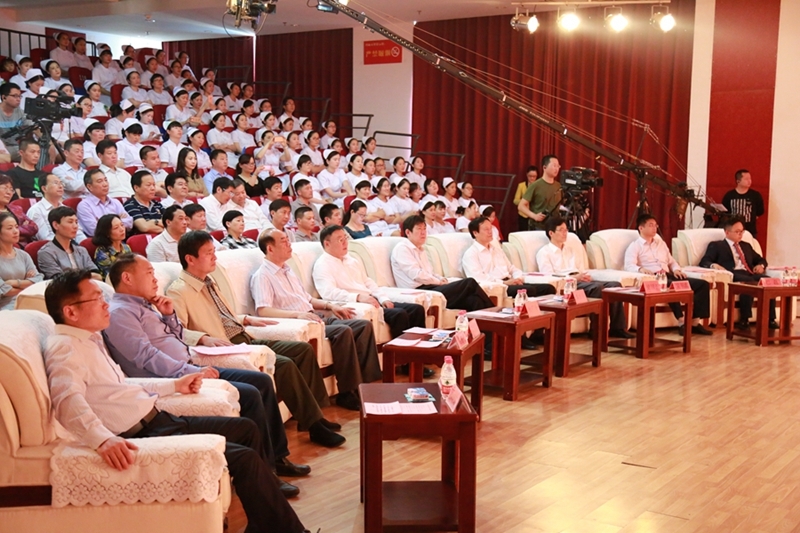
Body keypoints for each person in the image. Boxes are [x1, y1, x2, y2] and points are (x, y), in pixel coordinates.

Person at [42, 270, 309, 533]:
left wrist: (174, 385)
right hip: (142, 433)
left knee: (246, 428)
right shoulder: (65, 347)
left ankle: (263, 517)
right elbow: (67, 400)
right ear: (71, 312)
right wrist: (101, 440)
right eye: (97, 298)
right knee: (245, 457)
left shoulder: (88, 339)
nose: (105, 304)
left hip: (158, 419)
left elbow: (121, 385)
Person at [105, 252, 309, 498]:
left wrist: (168, 315)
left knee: (262, 380)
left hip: (187, 365)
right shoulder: (120, 312)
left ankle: (277, 457)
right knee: (250, 393)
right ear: (127, 278)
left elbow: (177, 339)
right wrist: (191, 371)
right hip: (171, 378)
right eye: (149, 273)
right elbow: (145, 357)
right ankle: (267, 474)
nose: (155, 278)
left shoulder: (147, 304)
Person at [167, 231, 345, 448]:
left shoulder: (209, 281)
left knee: (302, 350)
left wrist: (246, 318)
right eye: (208, 253)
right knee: (284, 364)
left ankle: (314, 415)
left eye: (214, 251)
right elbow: (175, 331)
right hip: (227, 345)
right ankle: (315, 425)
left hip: (244, 335)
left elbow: (222, 316)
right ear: (190, 258)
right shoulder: (178, 291)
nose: (215, 257)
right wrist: (203, 338)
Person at [251, 228, 382, 410]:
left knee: (362, 326)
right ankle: (347, 393)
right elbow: (263, 310)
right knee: (343, 331)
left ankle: (367, 386)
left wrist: (331, 306)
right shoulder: (262, 276)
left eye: (288, 239)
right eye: (283, 241)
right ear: (270, 248)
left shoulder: (288, 270)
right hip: (301, 322)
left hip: (316, 316)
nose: (289, 244)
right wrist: (297, 315)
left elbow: (308, 299)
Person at [313, 225, 426, 338]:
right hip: (357, 303)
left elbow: (367, 282)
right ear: (327, 244)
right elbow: (329, 293)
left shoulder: (351, 260)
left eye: (345, 238)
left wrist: (383, 298)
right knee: (399, 314)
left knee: (416, 309)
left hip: (371, 299)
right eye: (340, 240)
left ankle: (422, 345)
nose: (345, 243)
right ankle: (403, 348)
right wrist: (358, 297)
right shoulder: (322, 265)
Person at [537, 216, 634, 339]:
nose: (565, 233)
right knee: (597, 288)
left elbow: (580, 269)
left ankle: (618, 328)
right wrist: (575, 278)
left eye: (566, 230)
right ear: (551, 233)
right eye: (561, 230)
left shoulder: (570, 250)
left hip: (581, 280)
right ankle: (596, 330)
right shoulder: (544, 252)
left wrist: (584, 276)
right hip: (567, 284)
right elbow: (549, 277)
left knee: (615, 285)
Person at [624, 214, 713, 336]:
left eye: (656, 225)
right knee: (671, 286)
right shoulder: (635, 246)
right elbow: (629, 265)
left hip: (667, 274)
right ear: (641, 228)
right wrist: (641, 269)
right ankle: (681, 322)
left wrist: (676, 269)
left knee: (702, 285)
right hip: (653, 277)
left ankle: (694, 322)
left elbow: (671, 261)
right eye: (651, 225)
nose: (654, 228)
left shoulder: (661, 244)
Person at [391, 214, 495, 312]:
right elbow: (417, 275)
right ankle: (495, 313)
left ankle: (489, 324)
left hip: (431, 286)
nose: (423, 232)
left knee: (474, 300)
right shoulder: (402, 249)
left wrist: (441, 278)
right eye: (419, 229)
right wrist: (439, 282)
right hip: (418, 290)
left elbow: (430, 273)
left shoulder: (421, 249)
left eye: (424, 229)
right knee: (469, 282)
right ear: (408, 232)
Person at [699, 216, 777, 330]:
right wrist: (714, 265)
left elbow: (761, 259)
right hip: (733, 273)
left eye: (742, 231)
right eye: (737, 232)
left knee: (769, 281)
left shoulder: (746, 246)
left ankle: (771, 319)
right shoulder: (717, 245)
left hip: (750, 273)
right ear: (727, 232)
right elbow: (704, 261)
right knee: (748, 283)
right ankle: (744, 320)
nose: (740, 234)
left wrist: (761, 266)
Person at [462, 216, 557, 300]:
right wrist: (505, 283)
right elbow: (479, 278)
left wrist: (518, 278)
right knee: (529, 290)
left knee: (549, 288)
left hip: (511, 282)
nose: (490, 232)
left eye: (491, 228)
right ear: (475, 233)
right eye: (486, 229)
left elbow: (511, 268)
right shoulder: (471, 254)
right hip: (498, 286)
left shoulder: (497, 250)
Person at [38, 206, 101, 279]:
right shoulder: (46, 252)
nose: (75, 226)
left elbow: (97, 276)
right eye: (70, 222)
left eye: (76, 222)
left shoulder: (81, 250)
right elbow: (59, 280)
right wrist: (86, 276)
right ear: (56, 225)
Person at [0, 211, 43, 309]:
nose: (16, 231)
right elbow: (5, 290)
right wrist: (27, 283)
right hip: (6, 306)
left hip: (30, 300)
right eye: (10, 228)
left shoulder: (23, 255)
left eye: (16, 227)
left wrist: (14, 282)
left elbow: (38, 279)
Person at [27, 173, 86, 242]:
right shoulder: (36, 210)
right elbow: (45, 238)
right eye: (56, 183)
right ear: (44, 188)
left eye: (61, 183)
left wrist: (84, 244)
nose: (60, 186)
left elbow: (78, 232)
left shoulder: (66, 208)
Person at [76, 169, 133, 237]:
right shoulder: (84, 206)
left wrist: (104, 224)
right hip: (101, 242)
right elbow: (95, 231)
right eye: (100, 181)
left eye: (105, 180)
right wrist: (119, 221)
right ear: (89, 187)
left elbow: (129, 223)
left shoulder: (115, 202)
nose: (105, 184)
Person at [518, 155, 562, 231]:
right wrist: (534, 216)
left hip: (554, 227)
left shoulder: (558, 186)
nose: (556, 169)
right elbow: (521, 206)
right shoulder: (535, 185)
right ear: (544, 167)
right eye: (554, 166)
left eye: (558, 166)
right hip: (538, 227)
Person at [722, 169, 765, 238]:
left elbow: (760, 211)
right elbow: (725, 211)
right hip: (733, 231)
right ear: (738, 181)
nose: (749, 181)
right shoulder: (729, 195)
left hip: (750, 230)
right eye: (746, 179)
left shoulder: (755, 195)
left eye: (750, 178)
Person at [91, 213, 131, 279]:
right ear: (107, 233)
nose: (122, 229)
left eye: (122, 225)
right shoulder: (102, 252)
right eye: (116, 228)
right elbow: (109, 276)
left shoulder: (126, 247)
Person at [123, 171, 164, 235]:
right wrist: (158, 222)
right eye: (148, 185)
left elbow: (169, 224)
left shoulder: (157, 204)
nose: (153, 188)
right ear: (136, 188)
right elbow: (144, 227)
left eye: (154, 185)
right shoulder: (130, 205)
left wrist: (151, 222)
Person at [0, 83, 30, 163]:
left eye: (20, 96)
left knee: (39, 152)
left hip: (17, 148)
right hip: (3, 148)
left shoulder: (20, 112)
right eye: (15, 96)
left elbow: (34, 127)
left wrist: (49, 143)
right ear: (4, 97)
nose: (18, 99)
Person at [514, 166, 538, 230]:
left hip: (534, 214)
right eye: (530, 176)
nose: (532, 178)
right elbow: (515, 200)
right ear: (527, 175)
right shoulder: (521, 185)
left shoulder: (539, 186)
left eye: (534, 176)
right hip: (523, 214)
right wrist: (524, 201)